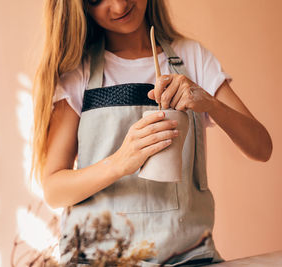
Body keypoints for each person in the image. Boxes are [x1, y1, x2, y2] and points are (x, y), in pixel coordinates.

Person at [31, 0, 273, 265]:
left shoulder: (191, 57)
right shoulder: (79, 72)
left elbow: (262, 148)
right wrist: (121, 161)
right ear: (81, 8)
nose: (120, 4)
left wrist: (210, 103)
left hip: (188, 257)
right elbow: (54, 190)